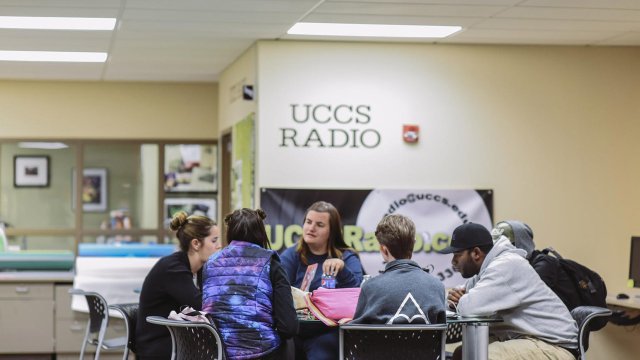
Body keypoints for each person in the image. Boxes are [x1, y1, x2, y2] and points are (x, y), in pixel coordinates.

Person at [443, 222, 579, 360]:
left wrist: (462, 300)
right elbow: (461, 295)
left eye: (457, 255)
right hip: (529, 338)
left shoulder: (505, 266)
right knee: (462, 354)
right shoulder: (486, 270)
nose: (453, 261)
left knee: (478, 357)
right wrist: (456, 298)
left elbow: (468, 308)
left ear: (476, 253)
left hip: (554, 346)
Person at [202, 208, 298, 360]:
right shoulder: (270, 263)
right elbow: (289, 327)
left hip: (218, 352)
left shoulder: (210, 264)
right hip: (262, 353)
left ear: (230, 232)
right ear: (261, 232)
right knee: (291, 341)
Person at [280, 201, 363, 360]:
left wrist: (342, 270)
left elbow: (359, 293)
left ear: (332, 232)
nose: (311, 228)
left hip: (327, 332)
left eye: (319, 224)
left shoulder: (347, 257)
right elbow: (278, 290)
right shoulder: (291, 255)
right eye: (308, 222)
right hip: (294, 331)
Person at [136, 211, 221, 360]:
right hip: (159, 346)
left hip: (177, 339)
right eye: (214, 241)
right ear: (196, 244)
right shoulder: (173, 268)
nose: (219, 246)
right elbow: (202, 305)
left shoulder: (198, 268)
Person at [351, 214, 446, 324]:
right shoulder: (437, 286)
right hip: (427, 342)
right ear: (414, 244)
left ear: (384, 250)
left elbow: (356, 333)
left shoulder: (370, 287)